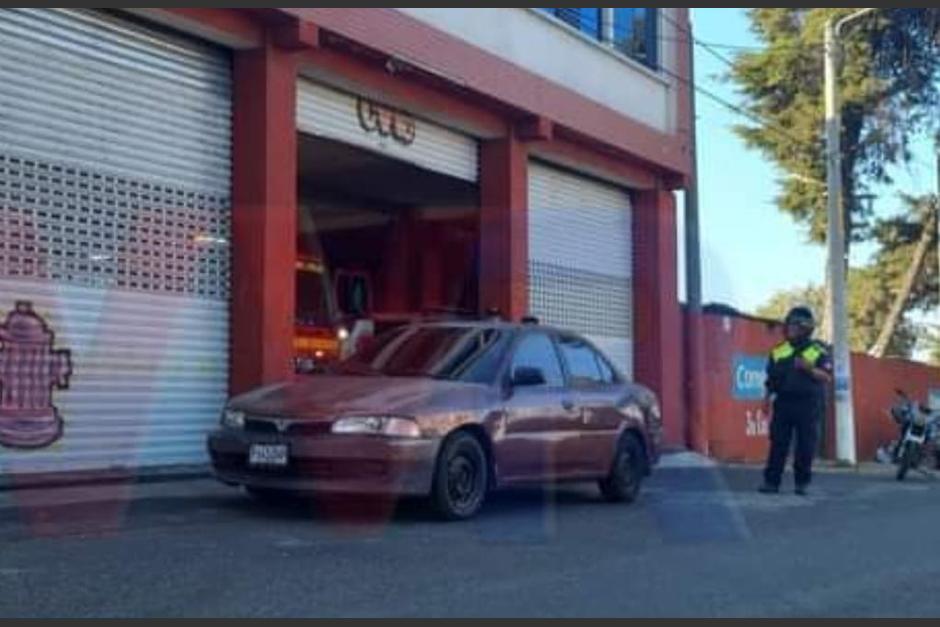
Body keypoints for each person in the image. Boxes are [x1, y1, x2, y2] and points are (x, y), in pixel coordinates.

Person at [758, 306, 833, 496]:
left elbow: (826, 376)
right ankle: (771, 482)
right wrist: (766, 401)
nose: (789, 329)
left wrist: (809, 368)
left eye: (794, 326)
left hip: (808, 404)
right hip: (783, 402)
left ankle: (802, 483)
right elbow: (771, 380)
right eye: (788, 325)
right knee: (778, 443)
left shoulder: (817, 349)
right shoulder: (779, 351)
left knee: (805, 445)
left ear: (805, 328)